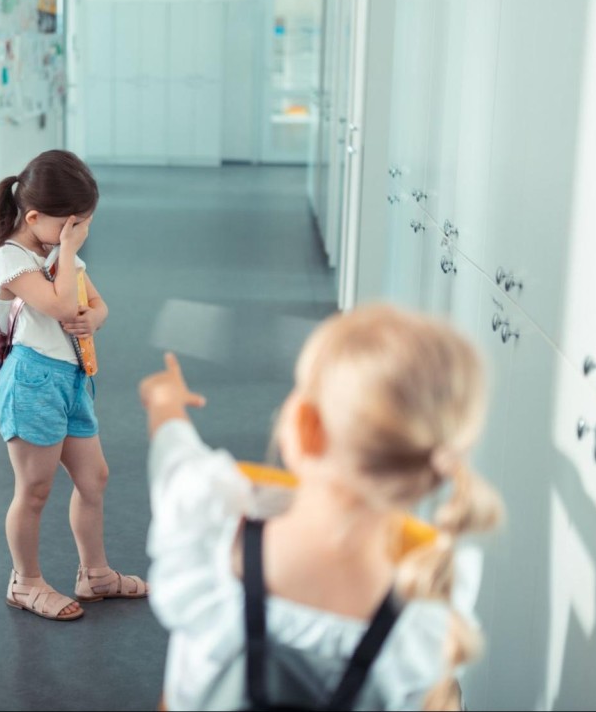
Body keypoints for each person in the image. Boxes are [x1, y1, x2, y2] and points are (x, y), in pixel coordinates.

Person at [140, 304, 503, 710]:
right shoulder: (428, 619)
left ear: (307, 427)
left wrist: (164, 401)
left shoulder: (207, 531)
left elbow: (175, 457)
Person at [0, 149, 146, 622]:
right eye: (72, 225)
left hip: (72, 379)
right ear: (33, 217)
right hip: (32, 380)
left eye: (83, 226)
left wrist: (92, 317)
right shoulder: (10, 262)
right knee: (33, 489)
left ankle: (94, 575)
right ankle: (24, 582)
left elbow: (96, 306)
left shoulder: (54, 250)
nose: (78, 234)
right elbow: (57, 307)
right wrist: (69, 251)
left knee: (94, 479)